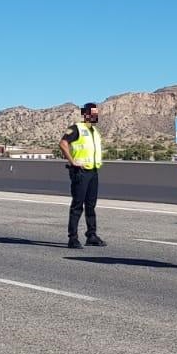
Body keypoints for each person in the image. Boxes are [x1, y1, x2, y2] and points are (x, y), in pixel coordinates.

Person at [58, 102, 108, 249]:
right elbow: (63, 143)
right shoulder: (76, 128)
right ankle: (72, 238)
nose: (95, 115)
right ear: (85, 114)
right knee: (77, 205)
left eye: (96, 113)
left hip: (93, 171)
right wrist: (72, 161)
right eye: (92, 113)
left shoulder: (95, 131)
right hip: (80, 172)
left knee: (91, 206)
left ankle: (91, 235)